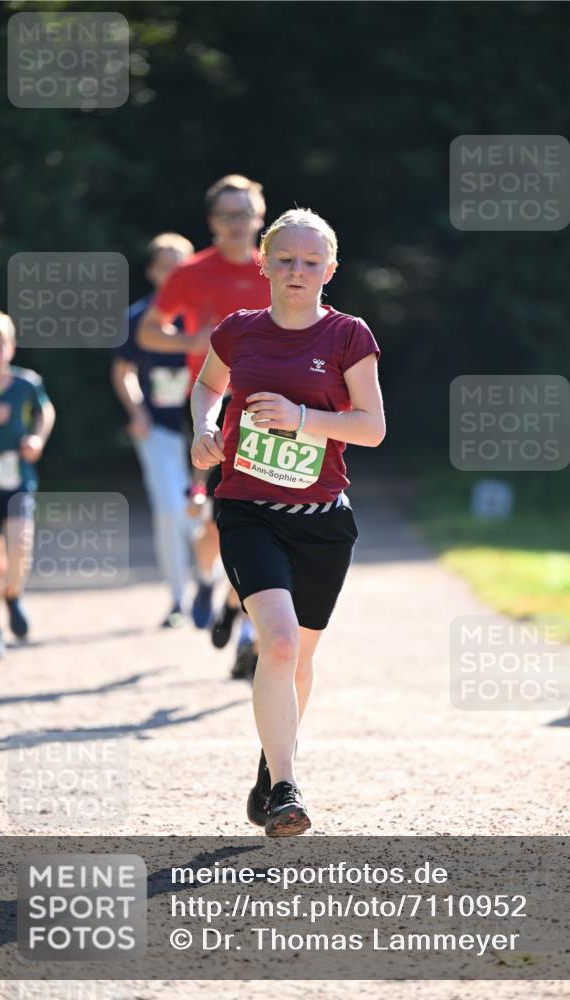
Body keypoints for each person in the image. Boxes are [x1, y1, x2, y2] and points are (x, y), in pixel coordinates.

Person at [190, 208, 385, 836]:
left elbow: (372, 428)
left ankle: (269, 771)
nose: (296, 272)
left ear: (330, 270)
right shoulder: (239, 331)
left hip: (324, 522)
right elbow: (206, 387)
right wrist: (202, 428)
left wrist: (302, 418)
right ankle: (287, 789)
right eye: (285, 260)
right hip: (249, 512)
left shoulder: (348, 336)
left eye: (310, 263)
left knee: (297, 662)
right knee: (273, 643)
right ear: (264, 263)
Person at [137, 175, 270, 665]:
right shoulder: (192, 273)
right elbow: (149, 333)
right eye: (227, 215)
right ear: (213, 222)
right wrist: (194, 344)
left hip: (272, 412)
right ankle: (208, 580)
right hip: (214, 411)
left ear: (260, 217)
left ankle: (248, 639)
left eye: (246, 214)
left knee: (265, 522)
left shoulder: (279, 268)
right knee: (218, 526)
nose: (237, 224)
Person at [112, 232, 204, 628]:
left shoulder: (207, 313)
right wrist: (137, 412)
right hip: (158, 430)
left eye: (181, 264)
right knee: (170, 511)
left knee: (201, 509)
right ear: (152, 271)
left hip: (206, 426)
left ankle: (209, 580)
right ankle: (178, 599)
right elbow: (122, 372)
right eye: (165, 265)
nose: (173, 272)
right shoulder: (138, 318)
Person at [0, 309, 56, 657]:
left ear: (11, 348)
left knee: (20, 547)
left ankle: (13, 593)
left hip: (18, 479)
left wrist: (36, 439)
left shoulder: (27, 383)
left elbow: (45, 411)